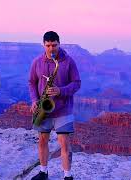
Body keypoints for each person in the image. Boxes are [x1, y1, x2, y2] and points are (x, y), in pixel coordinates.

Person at [29, 31, 81, 180]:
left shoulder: (68, 61)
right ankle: (43, 172)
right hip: (43, 108)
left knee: (64, 143)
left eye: (54, 45)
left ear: (59, 43)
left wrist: (60, 91)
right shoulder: (37, 62)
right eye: (48, 45)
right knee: (42, 140)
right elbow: (32, 82)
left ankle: (67, 176)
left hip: (63, 109)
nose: (51, 49)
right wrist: (34, 100)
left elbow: (77, 83)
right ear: (43, 45)